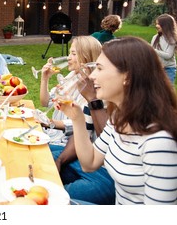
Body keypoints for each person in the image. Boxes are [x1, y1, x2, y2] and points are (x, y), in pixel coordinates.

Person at [58, 36, 177, 205]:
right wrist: (77, 119)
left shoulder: (159, 142)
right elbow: (89, 163)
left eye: (99, 68)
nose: (91, 76)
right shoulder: (118, 118)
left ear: (127, 76)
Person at [38, 35, 115, 204]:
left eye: (100, 69)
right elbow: (84, 133)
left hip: (106, 176)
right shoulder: (86, 88)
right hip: (88, 159)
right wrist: (60, 160)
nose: (68, 58)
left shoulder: (101, 94)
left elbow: (101, 143)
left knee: (47, 198)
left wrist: (93, 100)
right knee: (38, 159)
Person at [151, 14, 177, 83]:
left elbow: (168, 55)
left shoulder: (172, 39)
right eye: (156, 23)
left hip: (169, 69)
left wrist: (154, 50)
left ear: (166, 26)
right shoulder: (155, 37)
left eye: (159, 24)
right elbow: (151, 54)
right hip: (157, 68)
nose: (157, 26)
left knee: (167, 89)